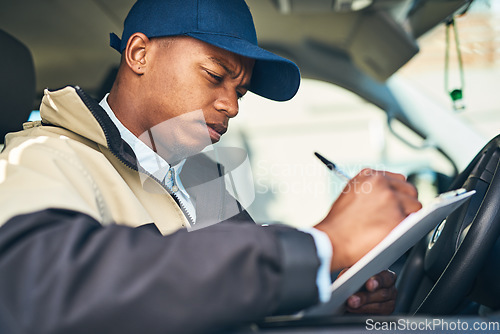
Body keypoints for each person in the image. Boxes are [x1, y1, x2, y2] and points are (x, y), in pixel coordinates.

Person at [0, 0, 422, 333]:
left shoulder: (200, 181)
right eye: (215, 75)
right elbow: (35, 291)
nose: (232, 106)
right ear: (139, 53)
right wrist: (319, 246)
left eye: (240, 90)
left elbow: (236, 290)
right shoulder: (43, 156)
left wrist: (331, 289)